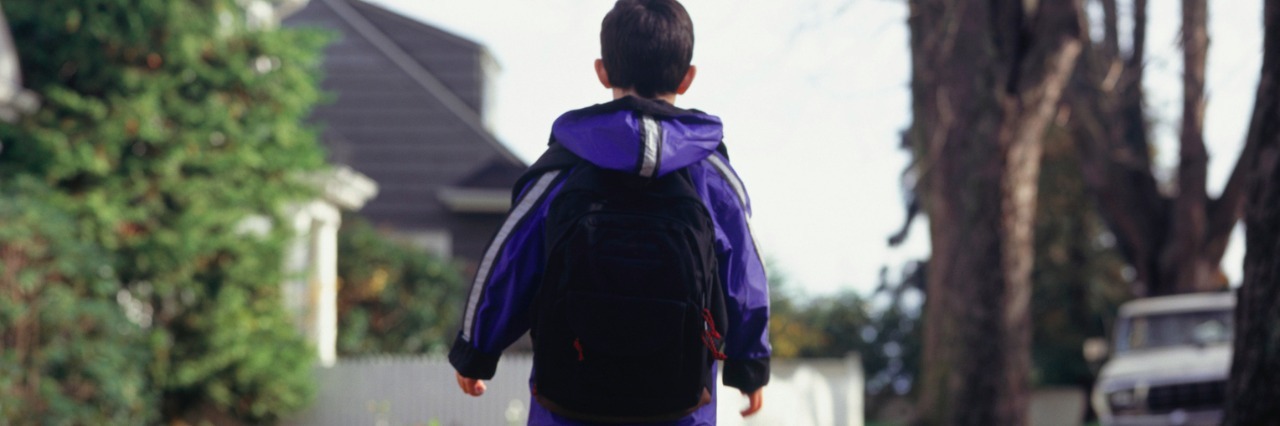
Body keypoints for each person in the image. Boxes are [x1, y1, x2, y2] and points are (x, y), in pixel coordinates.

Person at [448, 1, 770, 424]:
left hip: (566, 402)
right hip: (680, 404)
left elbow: (508, 261)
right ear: (688, 77)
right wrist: (749, 365)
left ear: (602, 71)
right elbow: (745, 276)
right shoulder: (710, 174)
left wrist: (476, 351)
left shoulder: (564, 166)